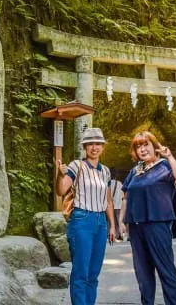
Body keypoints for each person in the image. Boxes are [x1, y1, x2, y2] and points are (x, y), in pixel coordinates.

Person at [119, 131, 176, 305]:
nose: (142, 149)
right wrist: (121, 220)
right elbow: (126, 196)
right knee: (142, 273)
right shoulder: (135, 170)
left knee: (165, 269)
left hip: (157, 223)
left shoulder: (165, 165)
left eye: (145, 145)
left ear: (154, 146)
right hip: (135, 226)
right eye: (138, 146)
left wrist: (170, 156)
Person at [56, 127, 116, 305]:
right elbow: (61, 190)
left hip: (101, 222)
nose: (94, 147)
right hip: (82, 220)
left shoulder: (105, 171)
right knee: (81, 273)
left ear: (103, 147)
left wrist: (112, 225)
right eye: (90, 144)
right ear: (84, 147)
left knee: (93, 274)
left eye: (98, 144)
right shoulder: (77, 165)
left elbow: (109, 201)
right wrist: (60, 176)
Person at [109, 174, 124, 241]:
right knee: (118, 221)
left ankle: (110, 235)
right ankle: (118, 234)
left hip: (110, 205)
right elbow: (123, 194)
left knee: (110, 220)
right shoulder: (119, 183)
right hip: (118, 205)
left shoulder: (108, 183)